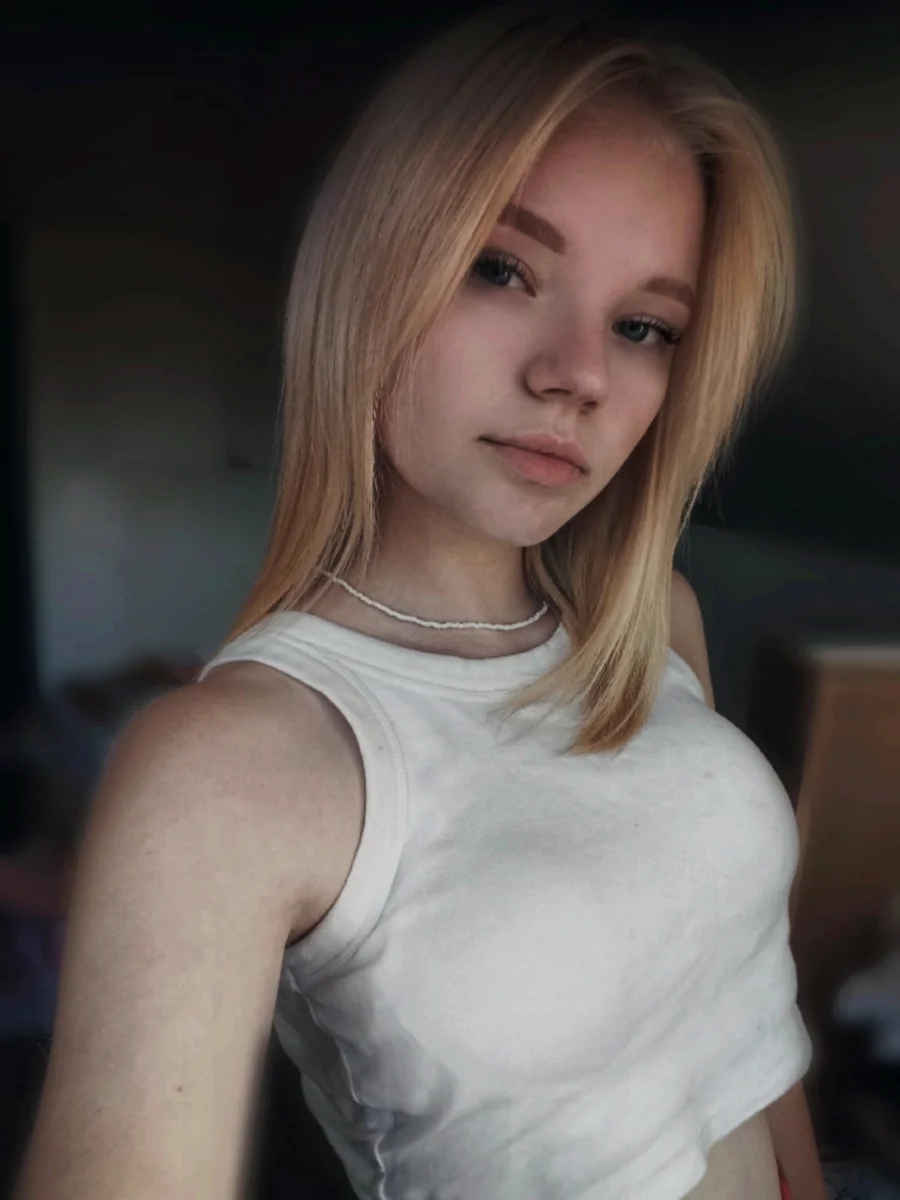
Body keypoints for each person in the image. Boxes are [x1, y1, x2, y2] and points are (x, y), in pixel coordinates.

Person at [15, 6, 830, 1199]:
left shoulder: (652, 618)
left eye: (643, 326)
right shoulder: (232, 764)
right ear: (373, 267)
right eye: (502, 269)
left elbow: (748, 1028)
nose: (577, 375)